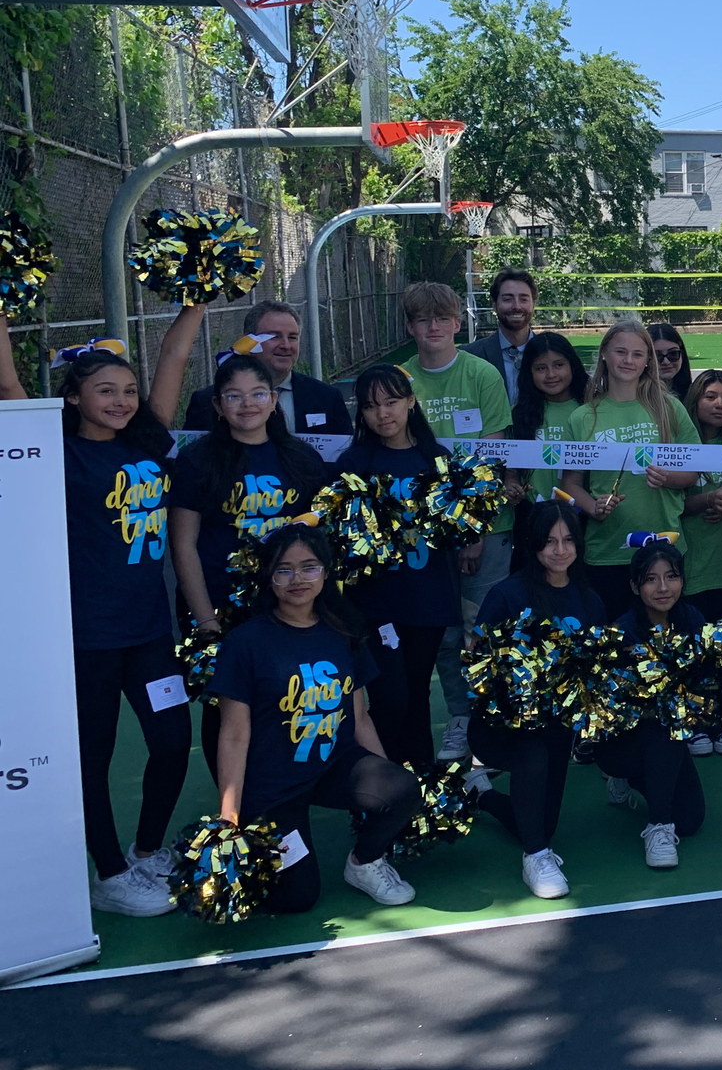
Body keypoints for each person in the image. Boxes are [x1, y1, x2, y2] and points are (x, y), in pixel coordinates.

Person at [60, 307, 196, 917]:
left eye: (128, 391)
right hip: (88, 635)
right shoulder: (55, 454)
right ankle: (108, 874)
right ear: (73, 398)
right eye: (105, 391)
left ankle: (144, 851)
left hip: (149, 631)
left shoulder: (147, 440)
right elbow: (8, 388)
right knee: (95, 755)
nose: (121, 401)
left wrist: (197, 293)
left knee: (172, 739)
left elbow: (173, 360)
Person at [209, 523, 420, 913]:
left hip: (332, 767)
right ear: (268, 577)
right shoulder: (245, 643)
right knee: (299, 896)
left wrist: (386, 786)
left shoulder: (343, 631)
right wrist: (229, 816)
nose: (296, 580)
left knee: (404, 788)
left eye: (309, 567)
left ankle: (364, 863)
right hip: (274, 785)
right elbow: (234, 735)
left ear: (325, 571)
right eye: (283, 570)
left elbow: (359, 719)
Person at [399, 281, 517, 763]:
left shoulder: (482, 374)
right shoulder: (399, 380)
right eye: (422, 319)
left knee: (483, 629)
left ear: (457, 324)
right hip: (422, 531)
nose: (433, 327)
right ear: (410, 327)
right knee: (445, 634)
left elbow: (491, 458)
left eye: (442, 318)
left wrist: (474, 530)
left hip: (485, 528)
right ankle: (461, 719)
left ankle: (493, 722)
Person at [468, 501, 606, 898]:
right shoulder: (507, 594)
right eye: (548, 541)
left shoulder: (590, 600)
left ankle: (483, 795)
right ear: (532, 545)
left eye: (567, 540)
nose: (559, 550)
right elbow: (478, 665)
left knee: (542, 821)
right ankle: (535, 858)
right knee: (533, 761)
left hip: (557, 728)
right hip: (503, 724)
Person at [334, 364, 461, 772]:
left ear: (410, 402)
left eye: (391, 402)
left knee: (419, 693)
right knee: (390, 697)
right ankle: (381, 780)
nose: (382, 414)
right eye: (371, 406)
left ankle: (422, 782)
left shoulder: (437, 459)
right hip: (375, 605)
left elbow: (456, 528)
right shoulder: (354, 462)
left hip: (427, 599)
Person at [171, 353, 329, 636]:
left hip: (289, 608)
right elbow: (184, 546)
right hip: (220, 608)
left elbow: (318, 540)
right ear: (217, 405)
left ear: (272, 401)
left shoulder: (303, 458)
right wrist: (206, 621)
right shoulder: (195, 461)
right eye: (233, 396)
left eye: (258, 394)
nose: (247, 405)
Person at [560, 319, 698, 621]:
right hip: (607, 549)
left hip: (665, 543)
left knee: (667, 644)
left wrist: (669, 478)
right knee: (615, 647)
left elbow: (694, 473)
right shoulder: (583, 417)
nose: (628, 360)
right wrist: (593, 508)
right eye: (620, 352)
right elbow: (571, 484)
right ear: (604, 355)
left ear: (648, 360)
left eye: (637, 354)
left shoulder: (670, 408)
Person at [599, 537, 709, 869]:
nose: (663, 587)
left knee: (690, 821)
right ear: (635, 586)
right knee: (669, 713)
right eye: (650, 579)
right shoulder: (622, 632)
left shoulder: (692, 619)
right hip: (621, 741)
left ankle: (639, 783)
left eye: (671, 576)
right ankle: (657, 826)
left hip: (668, 737)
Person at [677, 369, 722, 756]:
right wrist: (705, 501)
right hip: (689, 561)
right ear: (694, 401)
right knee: (690, 645)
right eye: (710, 396)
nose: (719, 404)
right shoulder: (680, 443)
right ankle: (695, 722)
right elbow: (671, 502)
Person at [183, 300, 351, 435]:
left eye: (292, 337)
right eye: (274, 336)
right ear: (249, 341)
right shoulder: (207, 402)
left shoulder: (327, 398)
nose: (285, 345)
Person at [508, 332, 587, 506]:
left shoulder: (590, 410)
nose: (551, 374)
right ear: (529, 372)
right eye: (541, 368)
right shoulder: (518, 415)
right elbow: (511, 472)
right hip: (533, 515)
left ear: (572, 366)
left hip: (583, 513)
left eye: (559, 365)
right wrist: (512, 487)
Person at [460, 269, 540, 404]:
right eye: (508, 299)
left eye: (524, 299)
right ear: (494, 305)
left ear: (533, 305)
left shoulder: (552, 354)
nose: (516, 306)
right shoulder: (469, 356)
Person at [647, 321, 693, 401]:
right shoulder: (634, 397)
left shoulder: (693, 395)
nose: (666, 362)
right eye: (657, 356)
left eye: (673, 354)